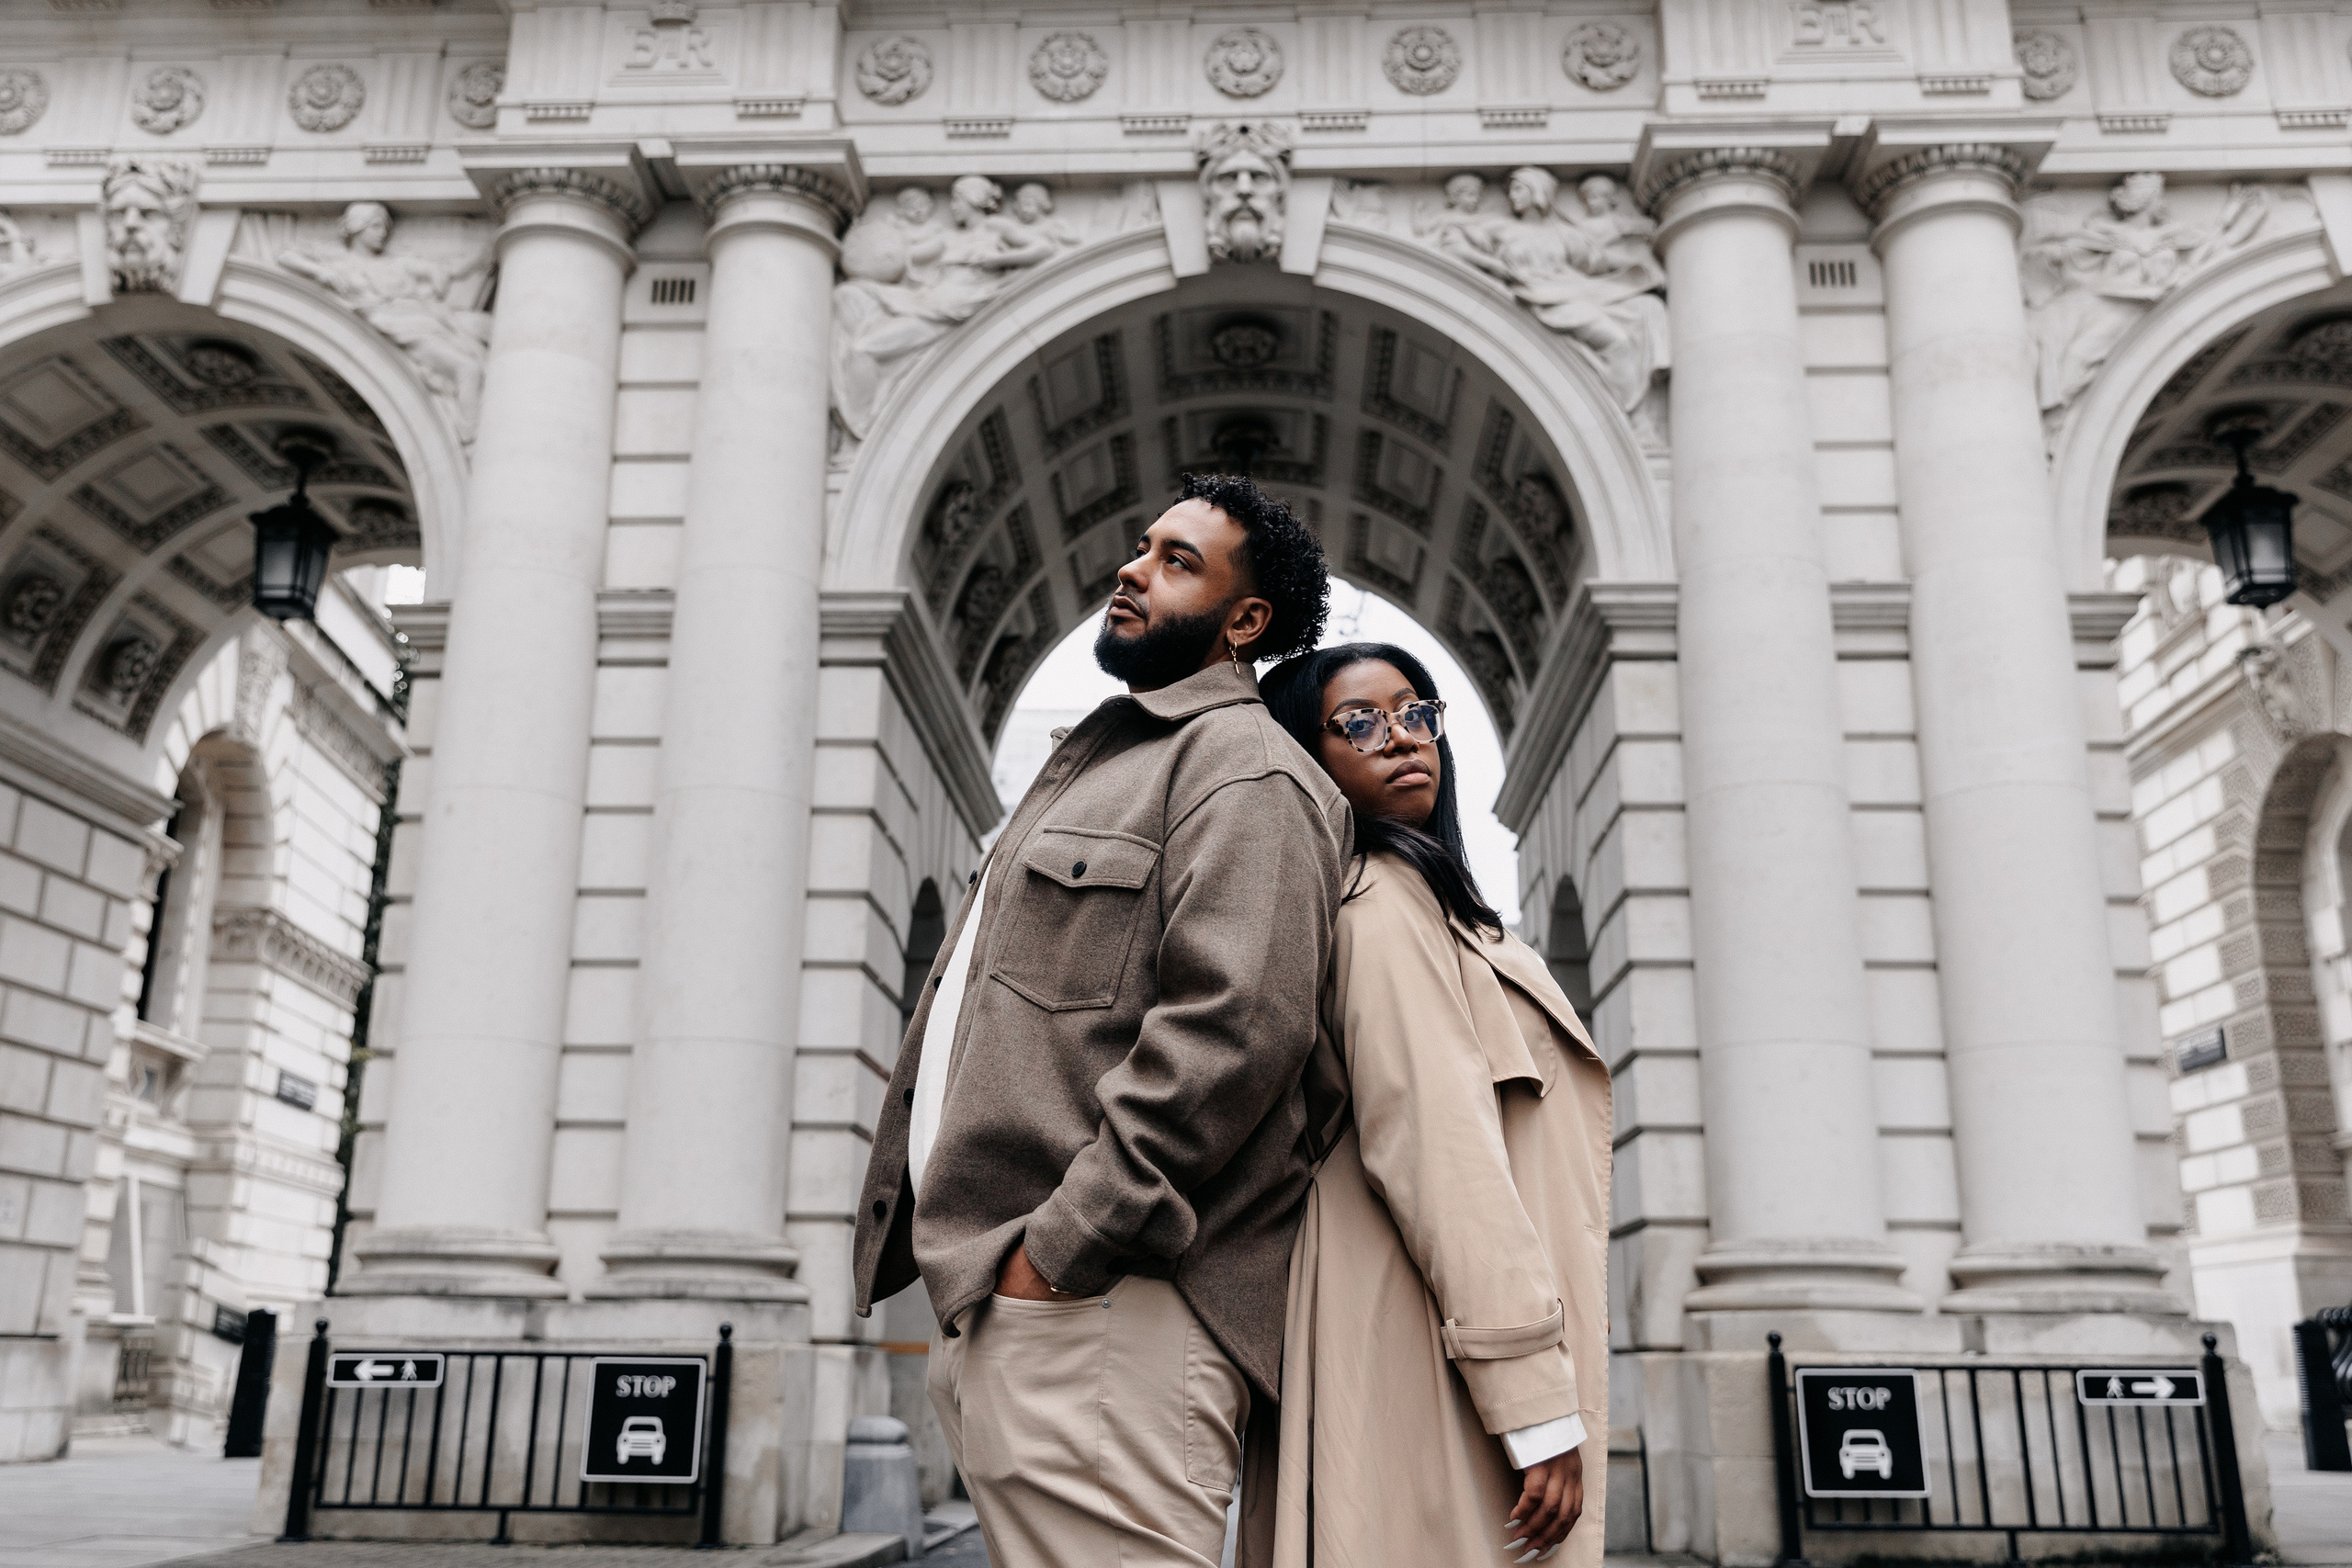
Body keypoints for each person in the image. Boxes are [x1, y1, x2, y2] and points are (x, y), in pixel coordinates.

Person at [854, 473, 1351, 1568]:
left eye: (1176, 560)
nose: (1130, 568)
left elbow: (1231, 1037)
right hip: (1029, 1310)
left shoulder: (1247, 770)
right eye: (1139, 546)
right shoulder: (1103, 763)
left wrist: (1061, 1252)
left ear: (1246, 620)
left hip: (1105, 1313)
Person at [1242, 643, 1611, 1568]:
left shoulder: (1431, 901)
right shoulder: (1378, 907)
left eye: (1415, 712)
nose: (1400, 737)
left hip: (1424, 1329)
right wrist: (1531, 1401)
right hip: (1415, 1338)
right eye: (1358, 722)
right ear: (1306, 752)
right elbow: (1440, 1156)